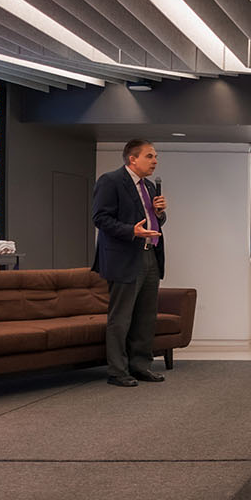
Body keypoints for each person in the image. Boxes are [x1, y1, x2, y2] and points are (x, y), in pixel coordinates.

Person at [91, 138, 167, 387]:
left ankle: (141, 365)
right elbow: (100, 218)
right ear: (132, 158)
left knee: (146, 316)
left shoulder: (149, 187)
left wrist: (159, 214)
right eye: (149, 156)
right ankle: (117, 371)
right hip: (124, 257)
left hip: (149, 255)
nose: (155, 161)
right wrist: (130, 231)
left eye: (155, 156)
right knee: (121, 317)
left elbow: (153, 223)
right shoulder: (111, 181)